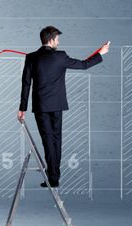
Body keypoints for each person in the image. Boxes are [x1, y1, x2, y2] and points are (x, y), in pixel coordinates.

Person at [17, 26, 110, 188]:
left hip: (40, 105)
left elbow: (26, 84)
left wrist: (22, 107)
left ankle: (52, 176)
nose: (58, 42)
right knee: (56, 139)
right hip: (57, 105)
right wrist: (100, 53)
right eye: (57, 39)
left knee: (47, 140)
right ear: (51, 39)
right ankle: (54, 177)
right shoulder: (60, 56)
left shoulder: (31, 57)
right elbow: (84, 65)